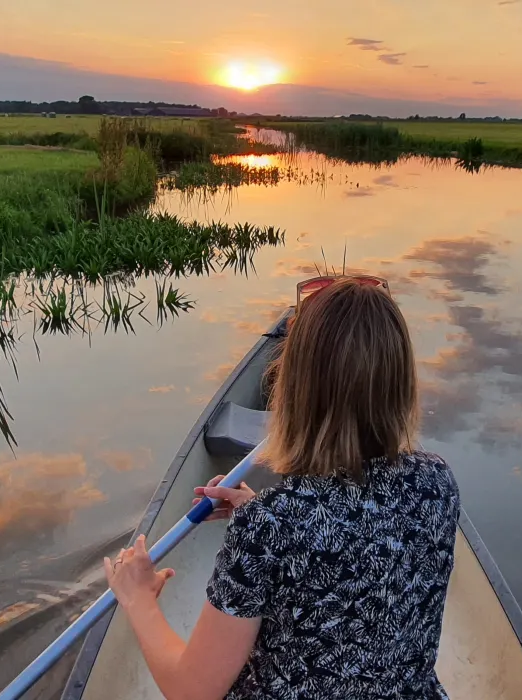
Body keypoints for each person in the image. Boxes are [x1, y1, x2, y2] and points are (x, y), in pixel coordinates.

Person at [104, 277, 461, 700]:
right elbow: (355, 538)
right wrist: (260, 516)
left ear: (294, 387)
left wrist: (138, 598)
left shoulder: (270, 526)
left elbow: (191, 691)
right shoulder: (438, 484)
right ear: (400, 384)